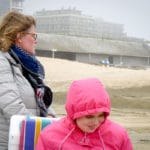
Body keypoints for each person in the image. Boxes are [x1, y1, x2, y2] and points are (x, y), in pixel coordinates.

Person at [0, 11, 55, 149]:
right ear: (19, 36)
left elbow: (42, 99)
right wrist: (41, 126)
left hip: (27, 141)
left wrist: (51, 117)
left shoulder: (30, 67)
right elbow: (11, 104)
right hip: (8, 143)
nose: (36, 40)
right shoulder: (2, 61)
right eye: (33, 35)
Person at [36, 78, 133, 150]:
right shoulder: (50, 136)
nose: (95, 122)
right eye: (89, 116)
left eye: (101, 115)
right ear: (73, 113)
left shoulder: (119, 135)